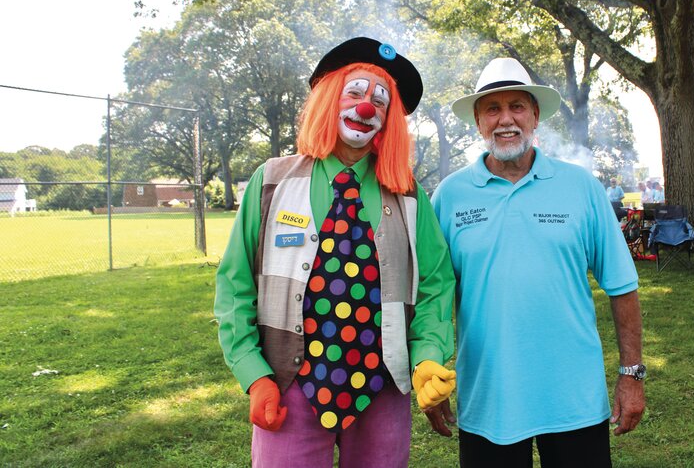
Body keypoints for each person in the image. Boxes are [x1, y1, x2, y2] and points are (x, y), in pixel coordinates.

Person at [214, 37, 457, 468]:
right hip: (289, 385)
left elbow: (436, 285)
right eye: (356, 92)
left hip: (382, 386)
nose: (367, 108)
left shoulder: (409, 196)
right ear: (329, 100)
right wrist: (254, 375)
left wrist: (427, 358)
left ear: (389, 121)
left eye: (380, 102)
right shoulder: (271, 182)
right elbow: (235, 284)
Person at [429, 57, 645, 467]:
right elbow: (432, 297)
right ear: (478, 120)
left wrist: (631, 373)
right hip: (488, 396)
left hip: (574, 399)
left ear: (535, 116)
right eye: (493, 108)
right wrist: (431, 372)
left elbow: (621, 285)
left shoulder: (581, 187)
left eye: (517, 107)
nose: (505, 119)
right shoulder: (450, 195)